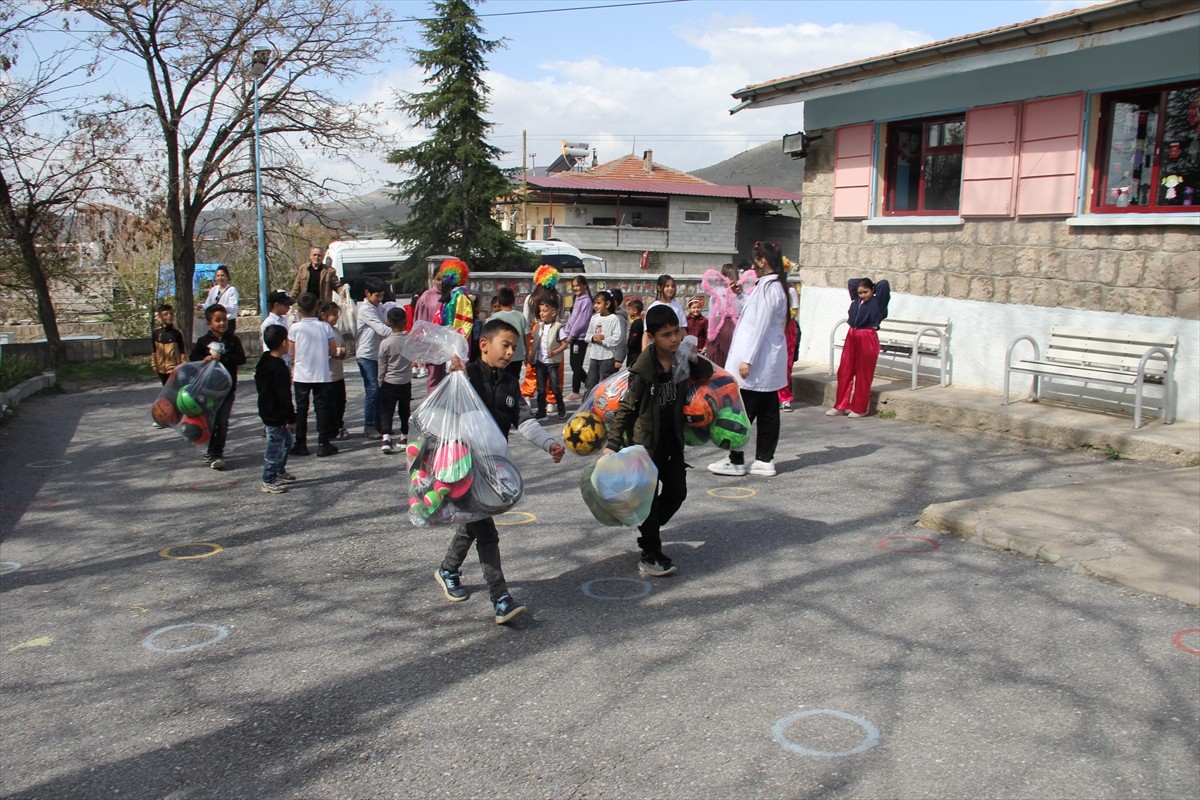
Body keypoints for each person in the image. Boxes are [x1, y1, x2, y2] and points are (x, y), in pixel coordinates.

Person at [433, 318, 566, 625]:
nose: (509, 353)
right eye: (504, 345)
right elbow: (444, 411)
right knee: (487, 532)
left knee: (473, 522)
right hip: (463, 468)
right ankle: (501, 598)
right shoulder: (466, 374)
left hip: (492, 469)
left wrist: (549, 444)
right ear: (484, 345)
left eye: (513, 348)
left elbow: (525, 420)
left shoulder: (509, 382)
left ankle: (448, 569)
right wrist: (455, 378)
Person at [603, 304, 713, 577]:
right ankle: (651, 550)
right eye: (666, 335)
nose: (674, 339)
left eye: (676, 332)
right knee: (649, 500)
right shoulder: (643, 367)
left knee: (678, 493)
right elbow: (627, 408)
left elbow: (707, 373)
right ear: (651, 337)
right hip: (646, 445)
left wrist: (696, 360)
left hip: (672, 441)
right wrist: (612, 445)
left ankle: (646, 527)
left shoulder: (680, 357)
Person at [709, 241, 790, 478]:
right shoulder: (770, 287)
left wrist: (747, 359)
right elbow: (753, 314)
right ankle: (765, 459)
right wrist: (741, 295)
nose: (753, 264)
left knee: (741, 413)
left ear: (763, 260)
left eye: (756, 259)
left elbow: (760, 327)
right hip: (764, 365)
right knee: (768, 413)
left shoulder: (768, 289)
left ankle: (735, 460)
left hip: (755, 365)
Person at [189, 304, 246, 470]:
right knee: (209, 420)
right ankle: (208, 450)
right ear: (209, 323)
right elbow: (194, 359)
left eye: (224, 319)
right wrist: (206, 358)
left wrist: (225, 357)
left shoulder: (233, 340)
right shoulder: (203, 341)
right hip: (208, 389)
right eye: (217, 320)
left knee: (222, 421)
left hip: (227, 388)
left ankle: (218, 453)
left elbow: (241, 359)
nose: (222, 323)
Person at [827, 277, 891, 418]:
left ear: (872, 290)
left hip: (867, 336)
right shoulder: (856, 301)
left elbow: (884, 284)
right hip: (852, 335)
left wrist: (872, 287)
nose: (862, 295)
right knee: (845, 370)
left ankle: (860, 408)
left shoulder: (877, 302)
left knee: (863, 374)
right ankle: (841, 405)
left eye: (866, 292)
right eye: (860, 292)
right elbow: (851, 281)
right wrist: (862, 286)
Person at [289, 292, 343, 458]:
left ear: (299, 309)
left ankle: (301, 442)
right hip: (322, 374)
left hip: (301, 374)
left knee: (302, 409)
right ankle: (323, 443)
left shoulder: (294, 328)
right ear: (316, 308)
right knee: (322, 408)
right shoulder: (325, 327)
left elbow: (292, 353)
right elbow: (333, 350)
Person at [256, 324, 297, 494]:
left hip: (267, 409)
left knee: (288, 441)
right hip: (275, 414)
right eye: (287, 340)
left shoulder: (264, 361)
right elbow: (284, 396)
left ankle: (279, 470)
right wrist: (291, 418)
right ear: (282, 343)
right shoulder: (278, 368)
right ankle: (268, 479)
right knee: (274, 447)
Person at [427, 259, 473, 392]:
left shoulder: (460, 297)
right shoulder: (450, 298)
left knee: (457, 379)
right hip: (449, 345)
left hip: (456, 347)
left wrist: (456, 351)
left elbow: (464, 325)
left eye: (445, 278)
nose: (442, 282)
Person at [355, 276, 391, 439]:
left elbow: (387, 324)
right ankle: (369, 425)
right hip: (366, 354)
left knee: (380, 391)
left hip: (378, 354)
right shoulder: (365, 309)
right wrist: (401, 333)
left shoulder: (380, 307)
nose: (379, 299)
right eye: (377, 296)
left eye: (382, 295)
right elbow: (382, 329)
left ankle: (380, 424)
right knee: (372, 390)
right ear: (367, 293)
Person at [377, 307, 412, 455]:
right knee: (404, 410)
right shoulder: (409, 341)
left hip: (389, 382)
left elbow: (382, 365)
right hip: (405, 381)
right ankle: (404, 436)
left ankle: (386, 438)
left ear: (388, 323)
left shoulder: (385, 343)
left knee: (387, 411)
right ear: (405, 321)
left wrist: (380, 382)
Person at [530, 297, 568, 419]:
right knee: (540, 389)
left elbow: (565, 344)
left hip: (552, 363)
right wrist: (531, 357)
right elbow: (535, 344)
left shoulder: (558, 327)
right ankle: (542, 411)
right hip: (541, 362)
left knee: (555, 387)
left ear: (553, 313)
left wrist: (555, 351)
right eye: (540, 311)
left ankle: (561, 407)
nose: (541, 313)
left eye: (544, 311)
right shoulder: (539, 327)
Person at [319, 301, 349, 441]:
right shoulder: (322, 330)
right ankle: (331, 428)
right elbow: (322, 350)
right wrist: (336, 351)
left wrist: (343, 352)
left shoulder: (336, 331)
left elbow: (342, 346)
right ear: (323, 315)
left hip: (338, 374)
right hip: (328, 374)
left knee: (340, 401)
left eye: (337, 314)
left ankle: (338, 425)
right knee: (330, 404)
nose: (336, 317)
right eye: (334, 314)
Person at [701, 264, 741, 368]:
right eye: (728, 276)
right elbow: (713, 314)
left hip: (736, 328)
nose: (731, 279)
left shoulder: (740, 292)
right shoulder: (717, 291)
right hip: (720, 328)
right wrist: (711, 333)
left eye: (733, 276)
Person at [584, 290, 624, 392]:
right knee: (590, 384)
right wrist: (593, 338)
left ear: (607, 304)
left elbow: (617, 338)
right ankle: (587, 406)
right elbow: (587, 335)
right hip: (594, 356)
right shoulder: (594, 318)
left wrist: (603, 340)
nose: (596, 306)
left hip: (607, 357)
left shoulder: (613, 318)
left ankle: (604, 406)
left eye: (598, 303)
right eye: (595, 303)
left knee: (605, 384)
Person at [562, 275, 592, 401]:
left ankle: (575, 391)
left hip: (580, 338)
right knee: (575, 364)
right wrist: (566, 332)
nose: (576, 288)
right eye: (574, 286)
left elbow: (582, 321)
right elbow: (572, 318)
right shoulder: (577, 299)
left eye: (578, 285)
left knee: (576, 364)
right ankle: (590, 385)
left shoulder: (586, 301)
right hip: (574, 336)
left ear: (585, 285)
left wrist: (571, 335)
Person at [489, 286, 528, 379]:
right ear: (513, 300)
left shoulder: (495, 317)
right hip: (517, 355)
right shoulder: (520, 316)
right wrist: (528, 354)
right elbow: (527, 335)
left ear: (499, 300)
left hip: (500, 355)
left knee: (500, 379)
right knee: (514, 378)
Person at [150, 303, 185, 406]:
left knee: (172, 391)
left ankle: (174, 410)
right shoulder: (156, 333)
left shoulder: (177, 333)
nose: (169, 316)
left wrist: (183, 366)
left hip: (173, 368)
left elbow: (183, 351)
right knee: (166, 390)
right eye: (166, 314)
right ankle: (172, 411)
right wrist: (154, 365)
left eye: (171, 314)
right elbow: (154, 351)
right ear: (160, 317)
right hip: (161, 369)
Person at [642, 274, 685, 349]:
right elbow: (646, 332)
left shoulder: (678, 306)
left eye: (672, 286)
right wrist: (643, 351)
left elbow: (682, 329)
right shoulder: (653, 307)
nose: (670, 288)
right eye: (667, 286)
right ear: (659, 288)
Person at [778, 269, 801, 412]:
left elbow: (794, 310)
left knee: (785, 364)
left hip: (786, 328)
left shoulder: (790, 290)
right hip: (772, 328)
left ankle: (785, 398)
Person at [412, 275, 442, 379]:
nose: (441, 282)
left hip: (447, 343)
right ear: (433, 279)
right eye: (438, 279)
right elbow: (420, 321)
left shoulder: (453, 294)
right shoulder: (427, 296)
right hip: (431, 343)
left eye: (444, 279)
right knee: (433, 377)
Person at [201, 265, 239, 334]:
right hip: (215, 322)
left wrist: (220, 308)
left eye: (222, 275)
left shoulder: (232, 290)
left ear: (227, 277)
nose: (220, 278)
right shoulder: (213, 290)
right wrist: (202, 306)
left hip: (227, 322)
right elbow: (209, 305)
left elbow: (233, 307)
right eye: (218, 276)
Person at [259, 291, 293, 363]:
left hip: (285, 361)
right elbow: (267, 347)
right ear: (276, 305)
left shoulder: (283, 320)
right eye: (286, 305)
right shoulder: (269, 323)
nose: (289, 308)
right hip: (276, 362)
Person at [625, 297, 645, 366]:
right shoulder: (640, 322)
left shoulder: (637, 323)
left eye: (630, 309)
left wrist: (629, 345)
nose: (629, 311)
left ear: (635, 311)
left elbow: (634, 337)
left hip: (634, 353)